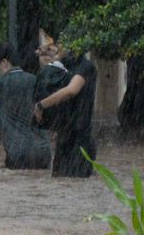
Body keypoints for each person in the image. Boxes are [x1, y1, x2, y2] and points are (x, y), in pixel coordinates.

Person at [33, 32, 98, 177]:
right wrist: (47, 52)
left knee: (76, 182)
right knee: (60, 181)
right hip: (64, 138)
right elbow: (55, 57)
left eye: (60, 44)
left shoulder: (85, 66)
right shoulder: (67, 66)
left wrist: (41, 105)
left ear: (72, 46)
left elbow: (71, 90)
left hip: (81, 141)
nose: (56, 48)